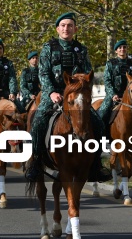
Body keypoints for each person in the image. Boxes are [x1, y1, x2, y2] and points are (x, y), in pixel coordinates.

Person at [25, 12, 112, 182]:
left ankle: (95, 166)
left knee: (99, 124)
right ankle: (35, 162)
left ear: (75, 29)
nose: (66, 28)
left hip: (76, 96)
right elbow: (43, 73)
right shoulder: (48, 48)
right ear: (58, 29)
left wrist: (83, 92)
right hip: (55, 95)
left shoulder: (81, 50)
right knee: (38, 121)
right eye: (63, 25)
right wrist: (51, 92)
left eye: (70, 26)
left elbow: (88, 76)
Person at [97, 39, 132, 131]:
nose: (122, 49)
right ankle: (98, 137)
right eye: (120, 48)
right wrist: (113, 95)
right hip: (113, 96)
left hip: (128, 97)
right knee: (101, 115)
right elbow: (107, 81)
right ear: (116, 51)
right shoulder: (110, 63)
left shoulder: (131, 64)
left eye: (124, 47)